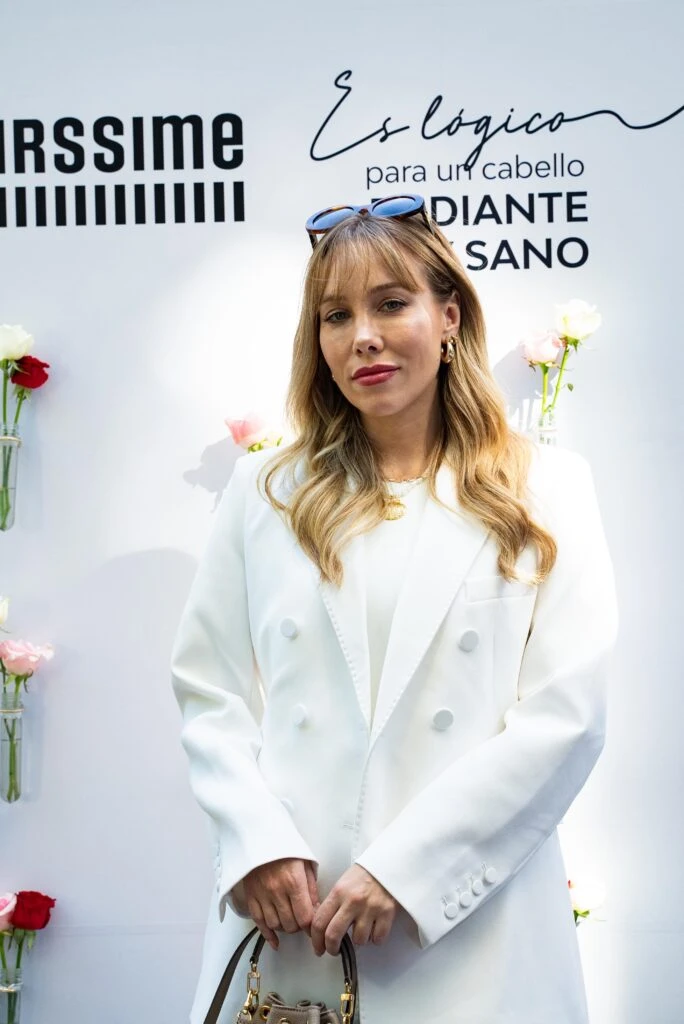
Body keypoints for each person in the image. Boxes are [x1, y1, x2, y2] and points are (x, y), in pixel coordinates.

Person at [170, 194, 619, 1024]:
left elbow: (566, 718)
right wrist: (256, 842)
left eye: (390, 304)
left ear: (449, 316)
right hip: (293, 925)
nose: (363, 338)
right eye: (336, 316)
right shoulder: (266, 491)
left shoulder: (546, 488)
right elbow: (210, 690)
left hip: (474, 934)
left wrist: (407, 870)